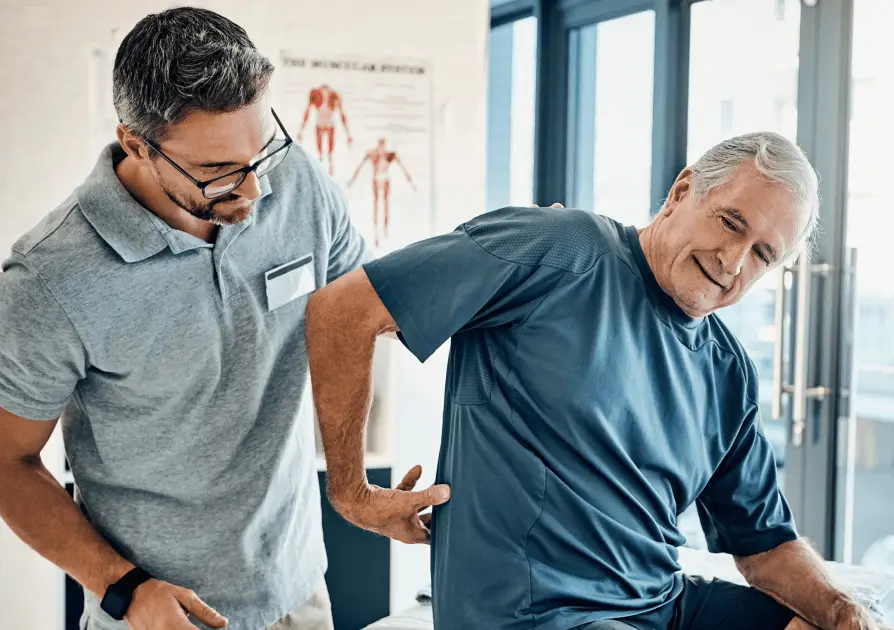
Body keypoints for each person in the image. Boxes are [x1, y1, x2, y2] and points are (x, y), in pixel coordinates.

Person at [306, 132, 891, 629]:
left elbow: (764, 547)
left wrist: (846, 614)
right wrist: (352, 493)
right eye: (731, 223)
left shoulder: (726, 369)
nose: (734, 261)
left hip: (659, 603)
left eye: (763, 253)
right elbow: (343, 310)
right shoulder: (559, 249)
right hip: (534, 613)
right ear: (682, 191)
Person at [0, 7, 392, 630]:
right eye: (216, 171)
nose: (258, 190)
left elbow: (359, 309)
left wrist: (351, 482)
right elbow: (7, 463)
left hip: (298, 590)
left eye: (261, 149)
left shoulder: (297, 182)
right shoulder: (49, 280)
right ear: (137, 143)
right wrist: (122, 588)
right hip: (158, 613)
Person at [348, 138, 415, 247]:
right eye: (380, 145)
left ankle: (385, 230)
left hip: (384, 179)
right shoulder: (372, 154)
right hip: (376, 179)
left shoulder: (390, 155)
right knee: (376, 205)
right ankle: (376, 232)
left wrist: (410, 181)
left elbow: (403, 168)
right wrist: (352, 180)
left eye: (383, 145)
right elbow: (360, 166)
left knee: (385, 204)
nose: (381, 148)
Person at [297, 84, 352, 176]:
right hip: (321, 124)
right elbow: (307, 112)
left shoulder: (334, 95)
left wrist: (348, 134)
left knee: (329, 154)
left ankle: (328, 170)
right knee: (321, 153)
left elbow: (342, 114)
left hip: (328, 125)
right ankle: (322, 169)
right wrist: (301, 130)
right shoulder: (316, 94)